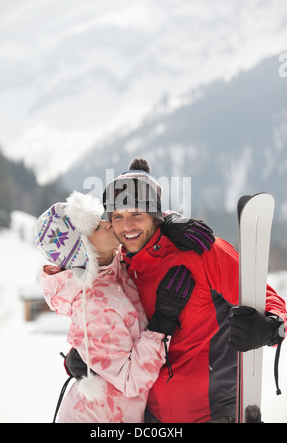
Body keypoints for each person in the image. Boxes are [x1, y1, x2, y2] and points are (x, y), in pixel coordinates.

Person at [66, 157, 286, 423]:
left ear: (156, 216)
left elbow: (264, 294)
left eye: (137, 214)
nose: (127, 226)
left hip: (213, 412)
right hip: (150, 416)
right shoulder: (121, 266)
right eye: (118, 217)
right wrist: (84, 355)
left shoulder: (201, 251)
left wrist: (271, 326)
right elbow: (100, 318)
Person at [35, 190, 200, 423]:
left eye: (99, 218)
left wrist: (168, 222)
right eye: (95, 227)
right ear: (82, 250)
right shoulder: (95, 304)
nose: (107, 223)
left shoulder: (112, 267)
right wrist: (163, 321)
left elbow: (136, 229)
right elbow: (132, 380)